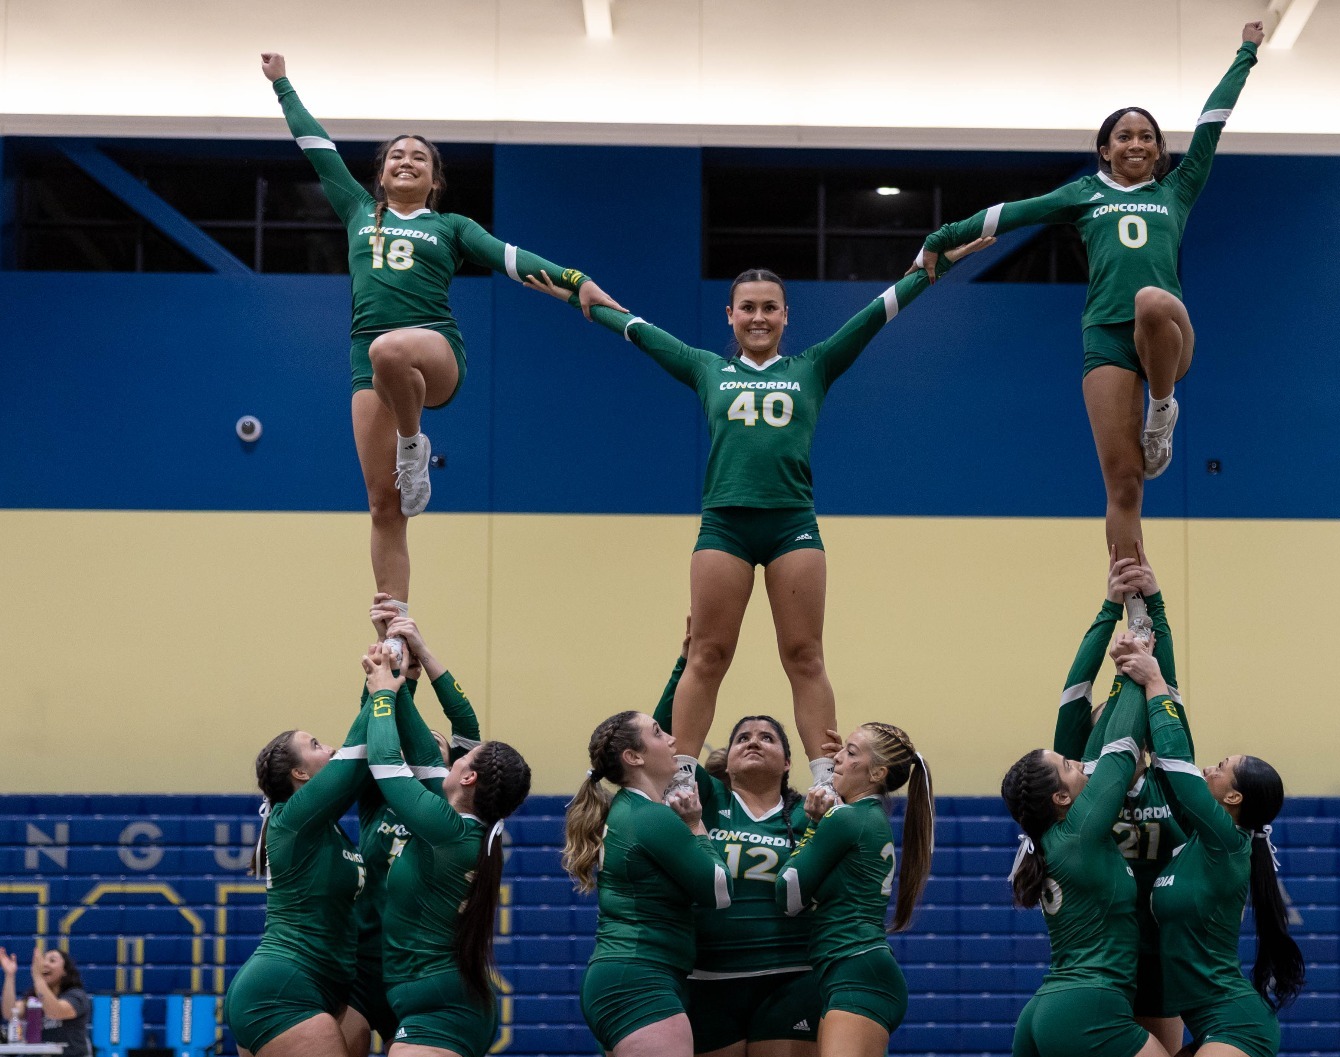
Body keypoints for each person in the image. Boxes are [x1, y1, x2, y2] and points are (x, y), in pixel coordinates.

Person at [523, 237, 991, 795]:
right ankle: (682, 779)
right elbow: (637, 330)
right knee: (708, 653)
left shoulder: (814, 366)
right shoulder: (706, 369)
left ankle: (826, 782)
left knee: (805, 654)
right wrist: (577, 292)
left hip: (792, 523)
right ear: (731, 314)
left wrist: (926, 272)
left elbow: (874, 316)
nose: (759, 316)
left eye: (770, 307)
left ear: (786, 315)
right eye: (748, 307)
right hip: (724, 525)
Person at [260, 51, 621, 604]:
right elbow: (317, 148)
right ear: (380, 174)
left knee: (391, 348)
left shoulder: (450, 226)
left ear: (434, 180)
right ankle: (395, 623)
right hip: (370, 363)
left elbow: (511, 258)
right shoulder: (359, 211)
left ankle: (413, 444)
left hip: (435, 354)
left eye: (420, 158)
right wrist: (282, 82)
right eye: (397, 156)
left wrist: (576, 282)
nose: (407, 161)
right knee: (384, 506)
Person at [915, 21, 1265, 565]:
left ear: (1158, 149)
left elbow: (1212, 121)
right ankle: (1131, 598)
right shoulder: (1082, 195)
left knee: (1149, 299)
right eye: (1123, 136)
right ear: (1104, 150)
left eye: (1146, 136)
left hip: (1168, 333)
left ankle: (1162, 408)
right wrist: (941, 237)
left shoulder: (1178, 188)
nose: (1136, 143)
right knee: (1124, 484)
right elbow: (1011, 214)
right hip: (1105, 336)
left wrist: (1246, 51)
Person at [1112, 639, 1304, 1057]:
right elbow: (1166, 759)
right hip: (1206, 1023)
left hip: (1237, 1026)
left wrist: (1155, 681)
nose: (1207, 769)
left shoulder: (1227, 841)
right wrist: (1151, 619)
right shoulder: (1194, 839)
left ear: (1233, 799)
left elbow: (1177, 761)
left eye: (1220, 769)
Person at [653, 622, 819, 1057]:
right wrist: (685, 666)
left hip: (791, 975)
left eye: (767, 738)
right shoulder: (707, 798)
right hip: (709, 978)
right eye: (743, 737)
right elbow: (663, 740)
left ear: (787, 762)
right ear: (725, 760)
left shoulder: (806, 813)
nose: (754, 742)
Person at [360, 640, 531, 1057]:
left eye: (464, 758)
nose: (454, 758)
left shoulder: (448, 829)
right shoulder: (461, 824)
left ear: (469, 778)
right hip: (440, 1001)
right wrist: (409, 670)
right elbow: (418, 746)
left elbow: (385, 759)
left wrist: (381, 693)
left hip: (440, 1011)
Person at [1000, 637, 1166, 1057]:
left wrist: (1121, 667)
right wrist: (1132, 663)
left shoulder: (1055, 837)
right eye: (1070, 766)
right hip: (1087, 1007)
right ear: (1060, 798)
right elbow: (1121, 747)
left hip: (1047, 1008)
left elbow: (1102, 749)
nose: (1081, 764)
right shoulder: (1078, 832)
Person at [1052, 547, 1187, 1053]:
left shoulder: (1170, 781)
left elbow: (1165, 688)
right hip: (1096, 954)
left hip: (1155, 952)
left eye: (1125, 713)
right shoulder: (1081, 778)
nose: (1118, 719)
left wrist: (1153, 607)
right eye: (1105, 717)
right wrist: (1111, 609)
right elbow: (1074, 693)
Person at [342, 600, 484, 1057]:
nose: (429, 744)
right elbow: (373, 729)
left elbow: (466, 725)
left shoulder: (455, 814)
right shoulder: (380, 795)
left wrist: (423, 654)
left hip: (424, 971)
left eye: (439, 745)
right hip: (366, 966)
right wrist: (392, 666)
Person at [563, 712, 735, 1057]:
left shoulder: (631, 809)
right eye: (658, 733)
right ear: (634, 757)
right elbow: (719, 890)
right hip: (639, 981)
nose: (672, 740)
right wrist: (695, 824)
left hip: (630, 976)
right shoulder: (650, 817)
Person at [224, 680, 375, 1056]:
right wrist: (382, 682)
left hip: (320, 988)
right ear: (300, 775)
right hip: (282, 992)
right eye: (316, 746)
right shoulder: (293, 818)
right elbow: (356, 754)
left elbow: (362, 748)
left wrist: (388, 666)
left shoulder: (323, 825)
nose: (331, 749)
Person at [773, 722, 934, 1057]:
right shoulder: (866, 817)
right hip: (858, 969)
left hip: (856, 972)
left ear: (877, 773)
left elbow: (787, 894)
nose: (837, 760)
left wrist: (814, 824)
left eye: (850, 752)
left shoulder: (845, 819)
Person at [0, 947, 91, 1057]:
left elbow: (55, 1012)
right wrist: (9, 975)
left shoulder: (76, 996)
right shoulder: (33, 999)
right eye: (43, 961)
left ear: (65, 971)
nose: (45, 964)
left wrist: (38, 978)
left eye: (52, 961)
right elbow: (10, 1013)